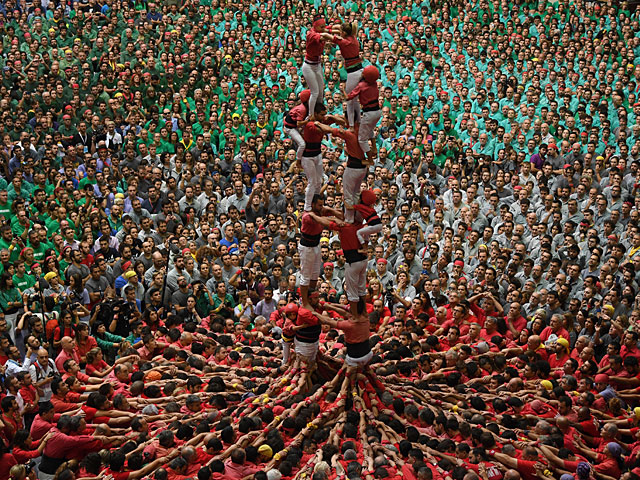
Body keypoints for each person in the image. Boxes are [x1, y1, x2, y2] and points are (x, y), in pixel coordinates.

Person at [298, 194, 343, 308]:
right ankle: (304, 301)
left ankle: (312, 296)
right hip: (306, 247)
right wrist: (332, 218)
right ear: (312, 204)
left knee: (315, 274)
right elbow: (325, 222)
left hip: (316, 245)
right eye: (319, 205)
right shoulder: (307, 216)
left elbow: (337, 213)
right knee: (306, 275)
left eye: (322, 204)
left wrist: (332, 211)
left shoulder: (320, 211)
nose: (321, 207)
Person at [329, 22, 363, 127]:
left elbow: (329, 37)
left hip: (353, 73)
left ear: (344, 33)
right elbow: (339, 27)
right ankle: (359, 121)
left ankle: (352, 125)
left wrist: (325, 30)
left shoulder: (344, 42)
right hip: (359, 69)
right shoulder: (353, 37)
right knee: (355, 100)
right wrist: (330, 27)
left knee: (349, 100)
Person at [345, 65, 381, 162]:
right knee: (369, 129)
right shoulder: (375, 84)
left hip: (369, 113)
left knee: (362, 139)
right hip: (377, 112)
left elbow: (349, 97)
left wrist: (343, 92)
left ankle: (369, 159)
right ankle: (374, 148)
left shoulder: (361, 86)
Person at [282, 90, 311, 164]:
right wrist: (307, 121)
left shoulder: (305, 106)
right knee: (302, 144)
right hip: (290, 128)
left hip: (295, 126)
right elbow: (299, 123)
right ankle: (298, 160)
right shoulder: (302, 109)